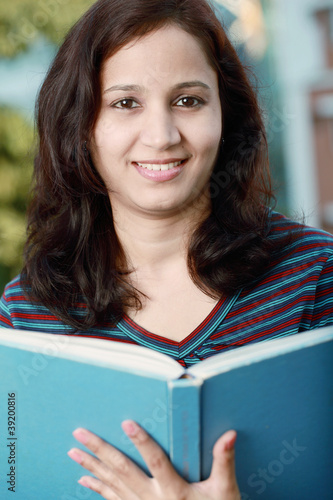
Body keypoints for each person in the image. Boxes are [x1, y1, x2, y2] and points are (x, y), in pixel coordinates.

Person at [1, 0, 332, 497]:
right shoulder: (25, 317)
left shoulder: (316, 276)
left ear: (227, 115)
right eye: (126, 103)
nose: (162, 136)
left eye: (188, 100)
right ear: (80, 126)